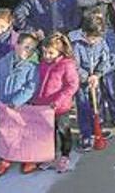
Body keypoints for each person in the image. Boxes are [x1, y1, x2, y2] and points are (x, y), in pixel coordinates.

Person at [0, 32, 40, 176]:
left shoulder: (32, 66)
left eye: (32, 49)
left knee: (25, 132)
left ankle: (28, 158)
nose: (28, 51)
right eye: (25, 47)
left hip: (22, 106)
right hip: (4, 103)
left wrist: (16, 101)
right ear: (16, 45)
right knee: (6, 132)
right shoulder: (4, 61)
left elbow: (31, 87)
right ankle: (6, 157)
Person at [29, 33, 78, 174]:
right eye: (44, 52)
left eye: (50, 53)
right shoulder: (42, 63)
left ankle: (65, 155)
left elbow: (72, 85)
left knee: (64, 132)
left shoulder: (67, 65)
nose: (47, 55)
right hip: (43, 106)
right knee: (48, 133)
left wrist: (57, 101)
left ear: (60, 51)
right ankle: (50, 155)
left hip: (60, 107)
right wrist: (35, 100)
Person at [69, 12, 115, 151]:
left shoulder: (101, 41)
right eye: (92, 38)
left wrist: (97, 74)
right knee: (83, 106)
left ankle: (97, 128)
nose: (94, 41)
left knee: (98, 104)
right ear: (84, 32)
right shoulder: (75, 43)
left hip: (95, 78)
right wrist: (85, 77)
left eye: (97, 38)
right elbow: (73, 65)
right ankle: (85, 134)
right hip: (81, 81)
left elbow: (105, 59)